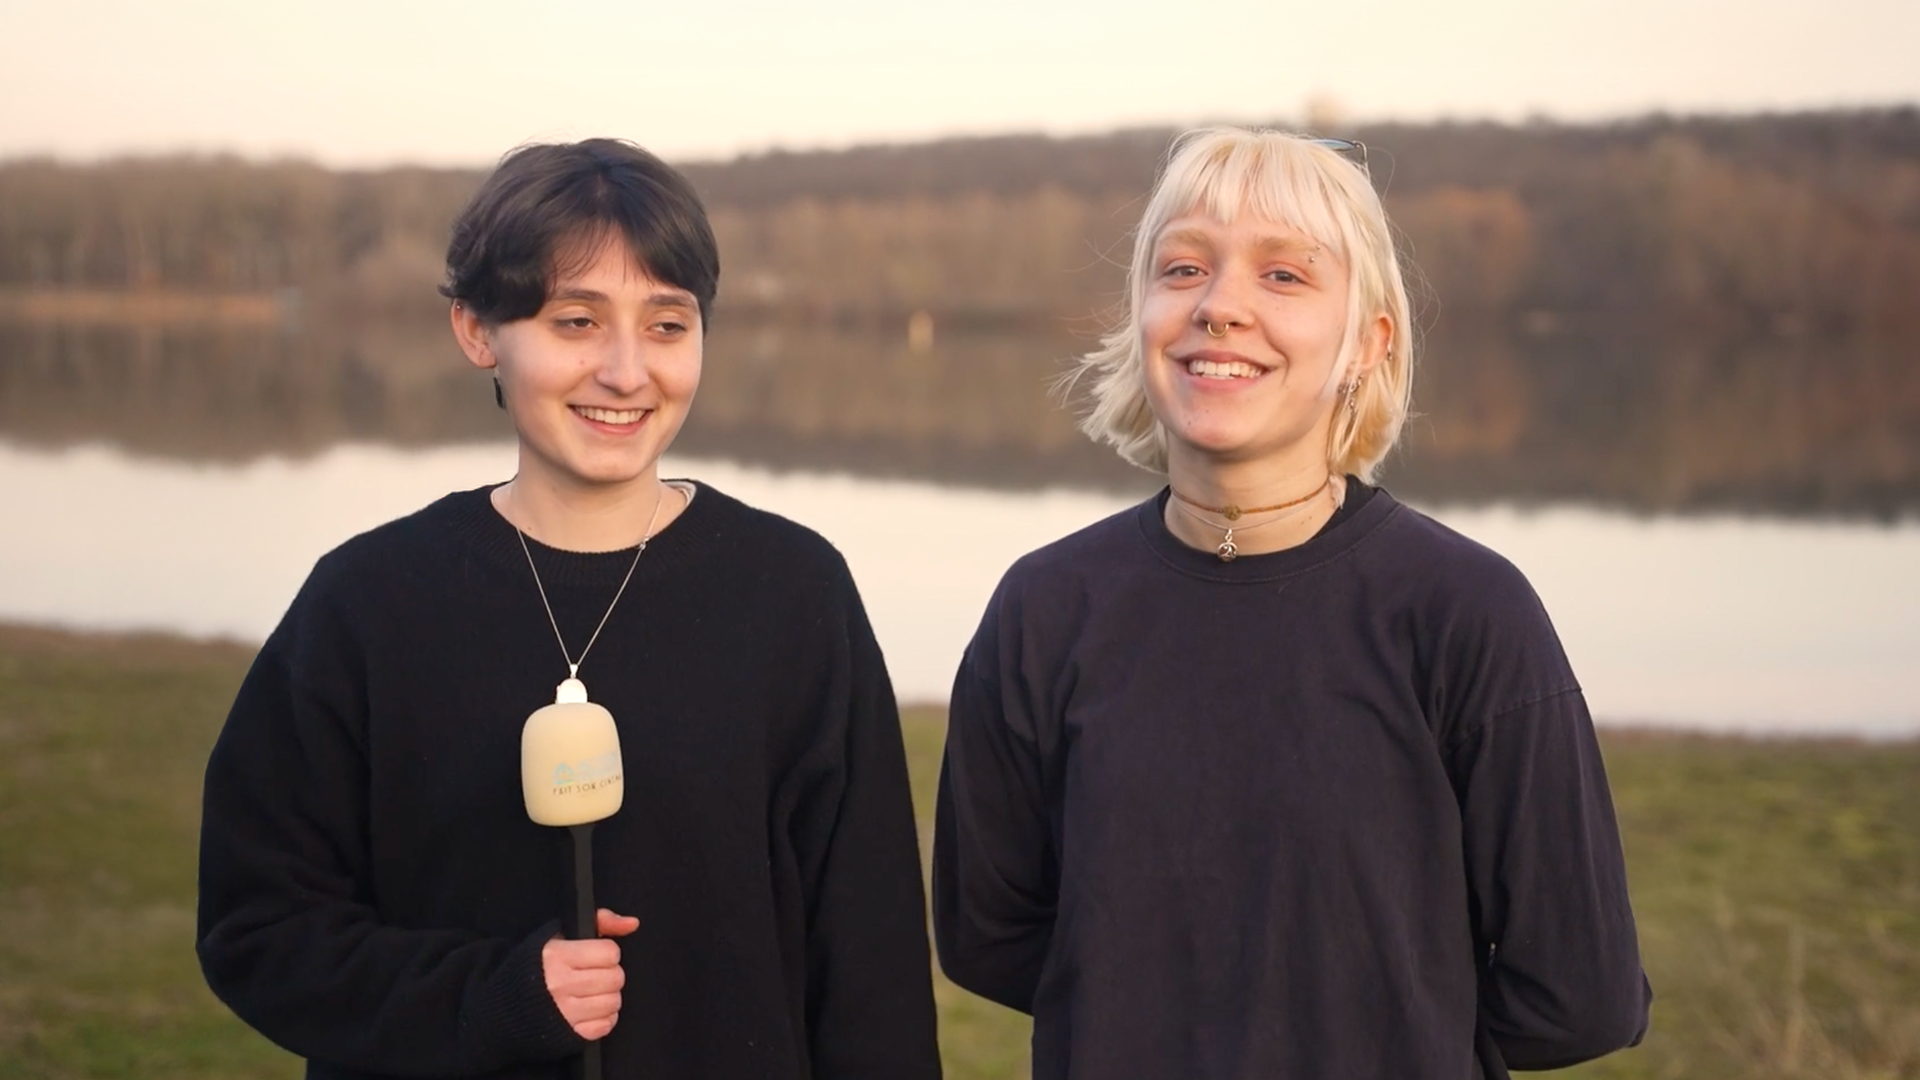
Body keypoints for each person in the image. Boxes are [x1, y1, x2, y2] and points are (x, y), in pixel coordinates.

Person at [197, 138, 942, 1080]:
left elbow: (872, 962)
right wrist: (493, 996)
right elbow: (259, 927)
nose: (626, 372)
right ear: (478, 331)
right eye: (577, 321)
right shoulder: (369, 604)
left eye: (666, 324)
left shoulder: (795, 594)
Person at [932, 127, 1652, 1080]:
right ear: (1142, 315)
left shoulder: (1468, 612)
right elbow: (988, 934)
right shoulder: (1045, 609)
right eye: (1183, 268)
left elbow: (1580, 994)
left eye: (1284, 275)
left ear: (1368, 344)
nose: (1220, 306)